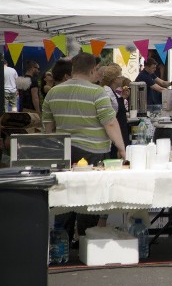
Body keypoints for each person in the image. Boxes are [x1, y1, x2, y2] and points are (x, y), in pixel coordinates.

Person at [42, 53, 127, 242]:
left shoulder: (53, 93)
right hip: (93, 151)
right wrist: (121, 148)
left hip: (63, 151)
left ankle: (61, 237)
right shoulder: (97, 93)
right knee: (89, 199)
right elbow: (110, 123)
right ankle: (85, 239)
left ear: (72, 70)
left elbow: (47, 128)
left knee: (64, 196)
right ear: (92, 70)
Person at [99, 63, 131, 158]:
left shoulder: (113, 92)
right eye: (121, 77)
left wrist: (122, 97)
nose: (122, 79)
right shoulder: (107, 92)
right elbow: (111, 118)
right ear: (115, 79)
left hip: (120, 130)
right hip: (115, 134)